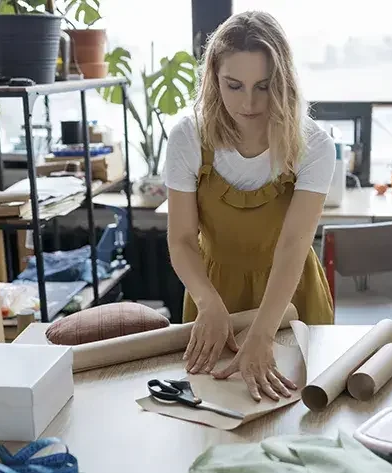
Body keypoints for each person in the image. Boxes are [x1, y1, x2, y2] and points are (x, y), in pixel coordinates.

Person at [164, 11, 335, 403]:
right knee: (207, 412)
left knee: (301, 414)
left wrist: (263, 331)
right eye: (234, 85)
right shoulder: (188, 137)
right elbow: (183, 240)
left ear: (284, 81)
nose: (249, 102)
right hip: (213, 293)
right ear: (213, 79)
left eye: (264, 85)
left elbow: (293, 245)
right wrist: (209, 303)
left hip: (291, 296)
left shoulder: (314, 145)